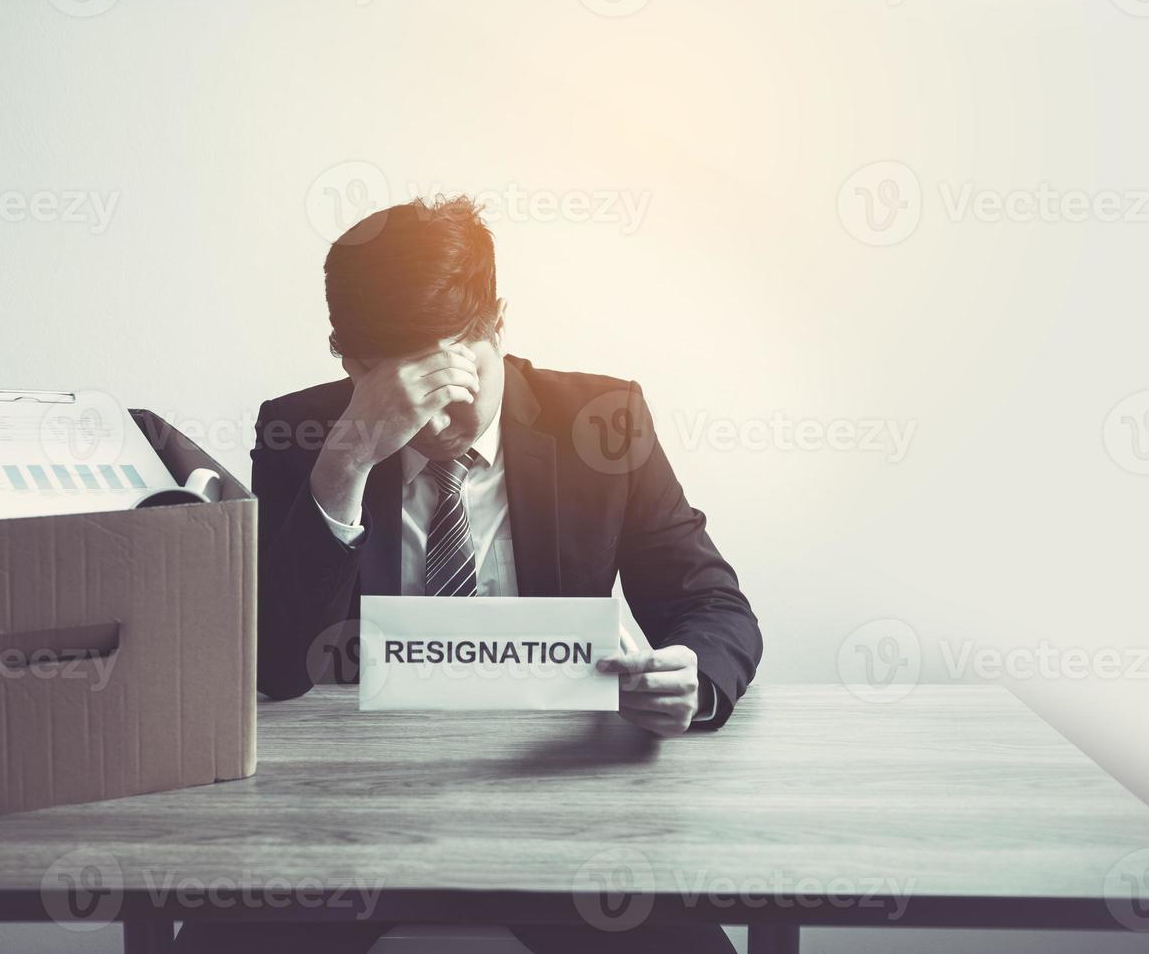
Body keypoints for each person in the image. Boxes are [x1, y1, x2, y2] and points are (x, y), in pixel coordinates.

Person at [179, 196, 762, 954]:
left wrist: (691, 674)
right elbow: (274, 668)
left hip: (555, 793)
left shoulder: (601, 420)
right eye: (403, 392)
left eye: (456, 378)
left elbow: (711, 604)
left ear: (497, 324)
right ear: (351, 363)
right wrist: (348, 460)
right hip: (346, 807)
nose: (433, 421)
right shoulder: (305, 435)